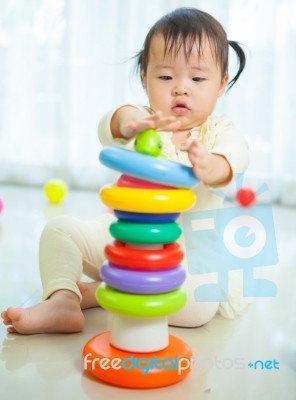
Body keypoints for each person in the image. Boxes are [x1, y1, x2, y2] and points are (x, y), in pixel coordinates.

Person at [1, 7, 249, 334]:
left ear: (221, 85)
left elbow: (236, 157)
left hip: (185, 257)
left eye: (198, 78)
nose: (181, 88)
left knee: (197, 307)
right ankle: (62, 298)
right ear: (144, 78)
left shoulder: (217, 132)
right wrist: (129, 121)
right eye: (165, 77)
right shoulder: (143, 123)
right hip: (126, 240)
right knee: (59, 230)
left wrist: (211, 165)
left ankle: (102, 294)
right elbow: (111, 124)